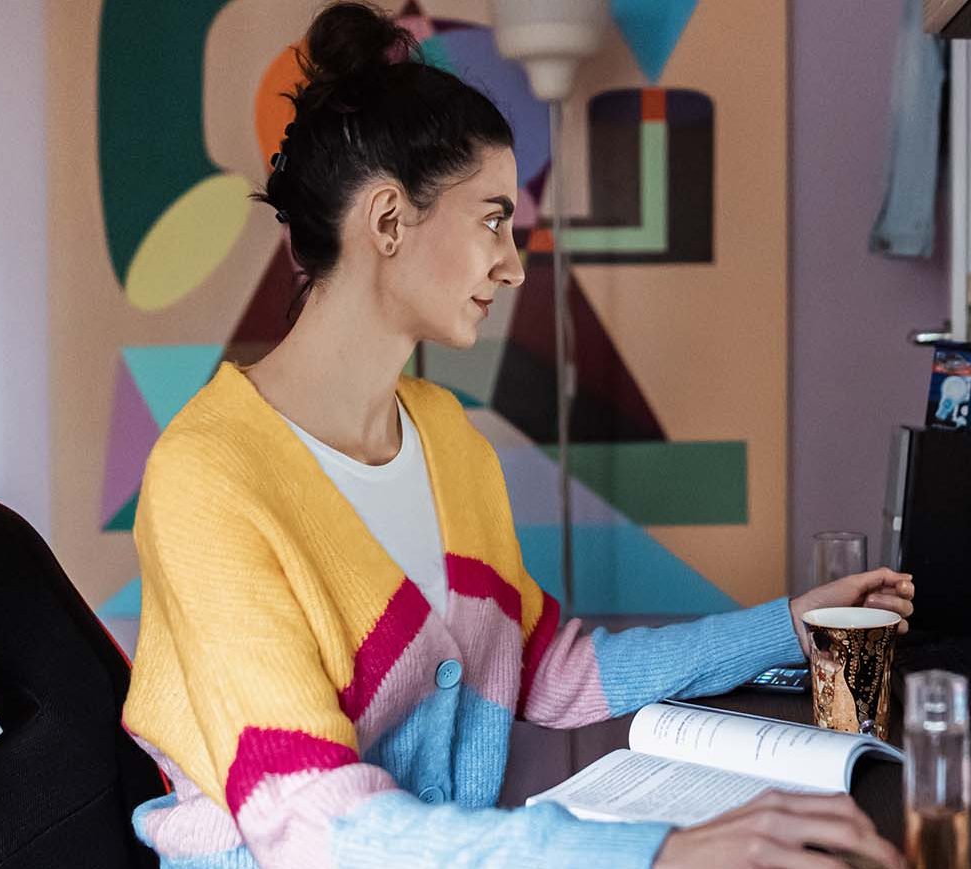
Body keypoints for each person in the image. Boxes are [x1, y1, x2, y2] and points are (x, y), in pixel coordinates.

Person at [119, 4, 915, 868]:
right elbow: (312, 824)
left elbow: (549, 668)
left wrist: (786, 627)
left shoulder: (446, 437)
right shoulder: (209, 478)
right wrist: (657, 852)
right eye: (493, 218)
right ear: (389, 222)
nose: (514, 261)